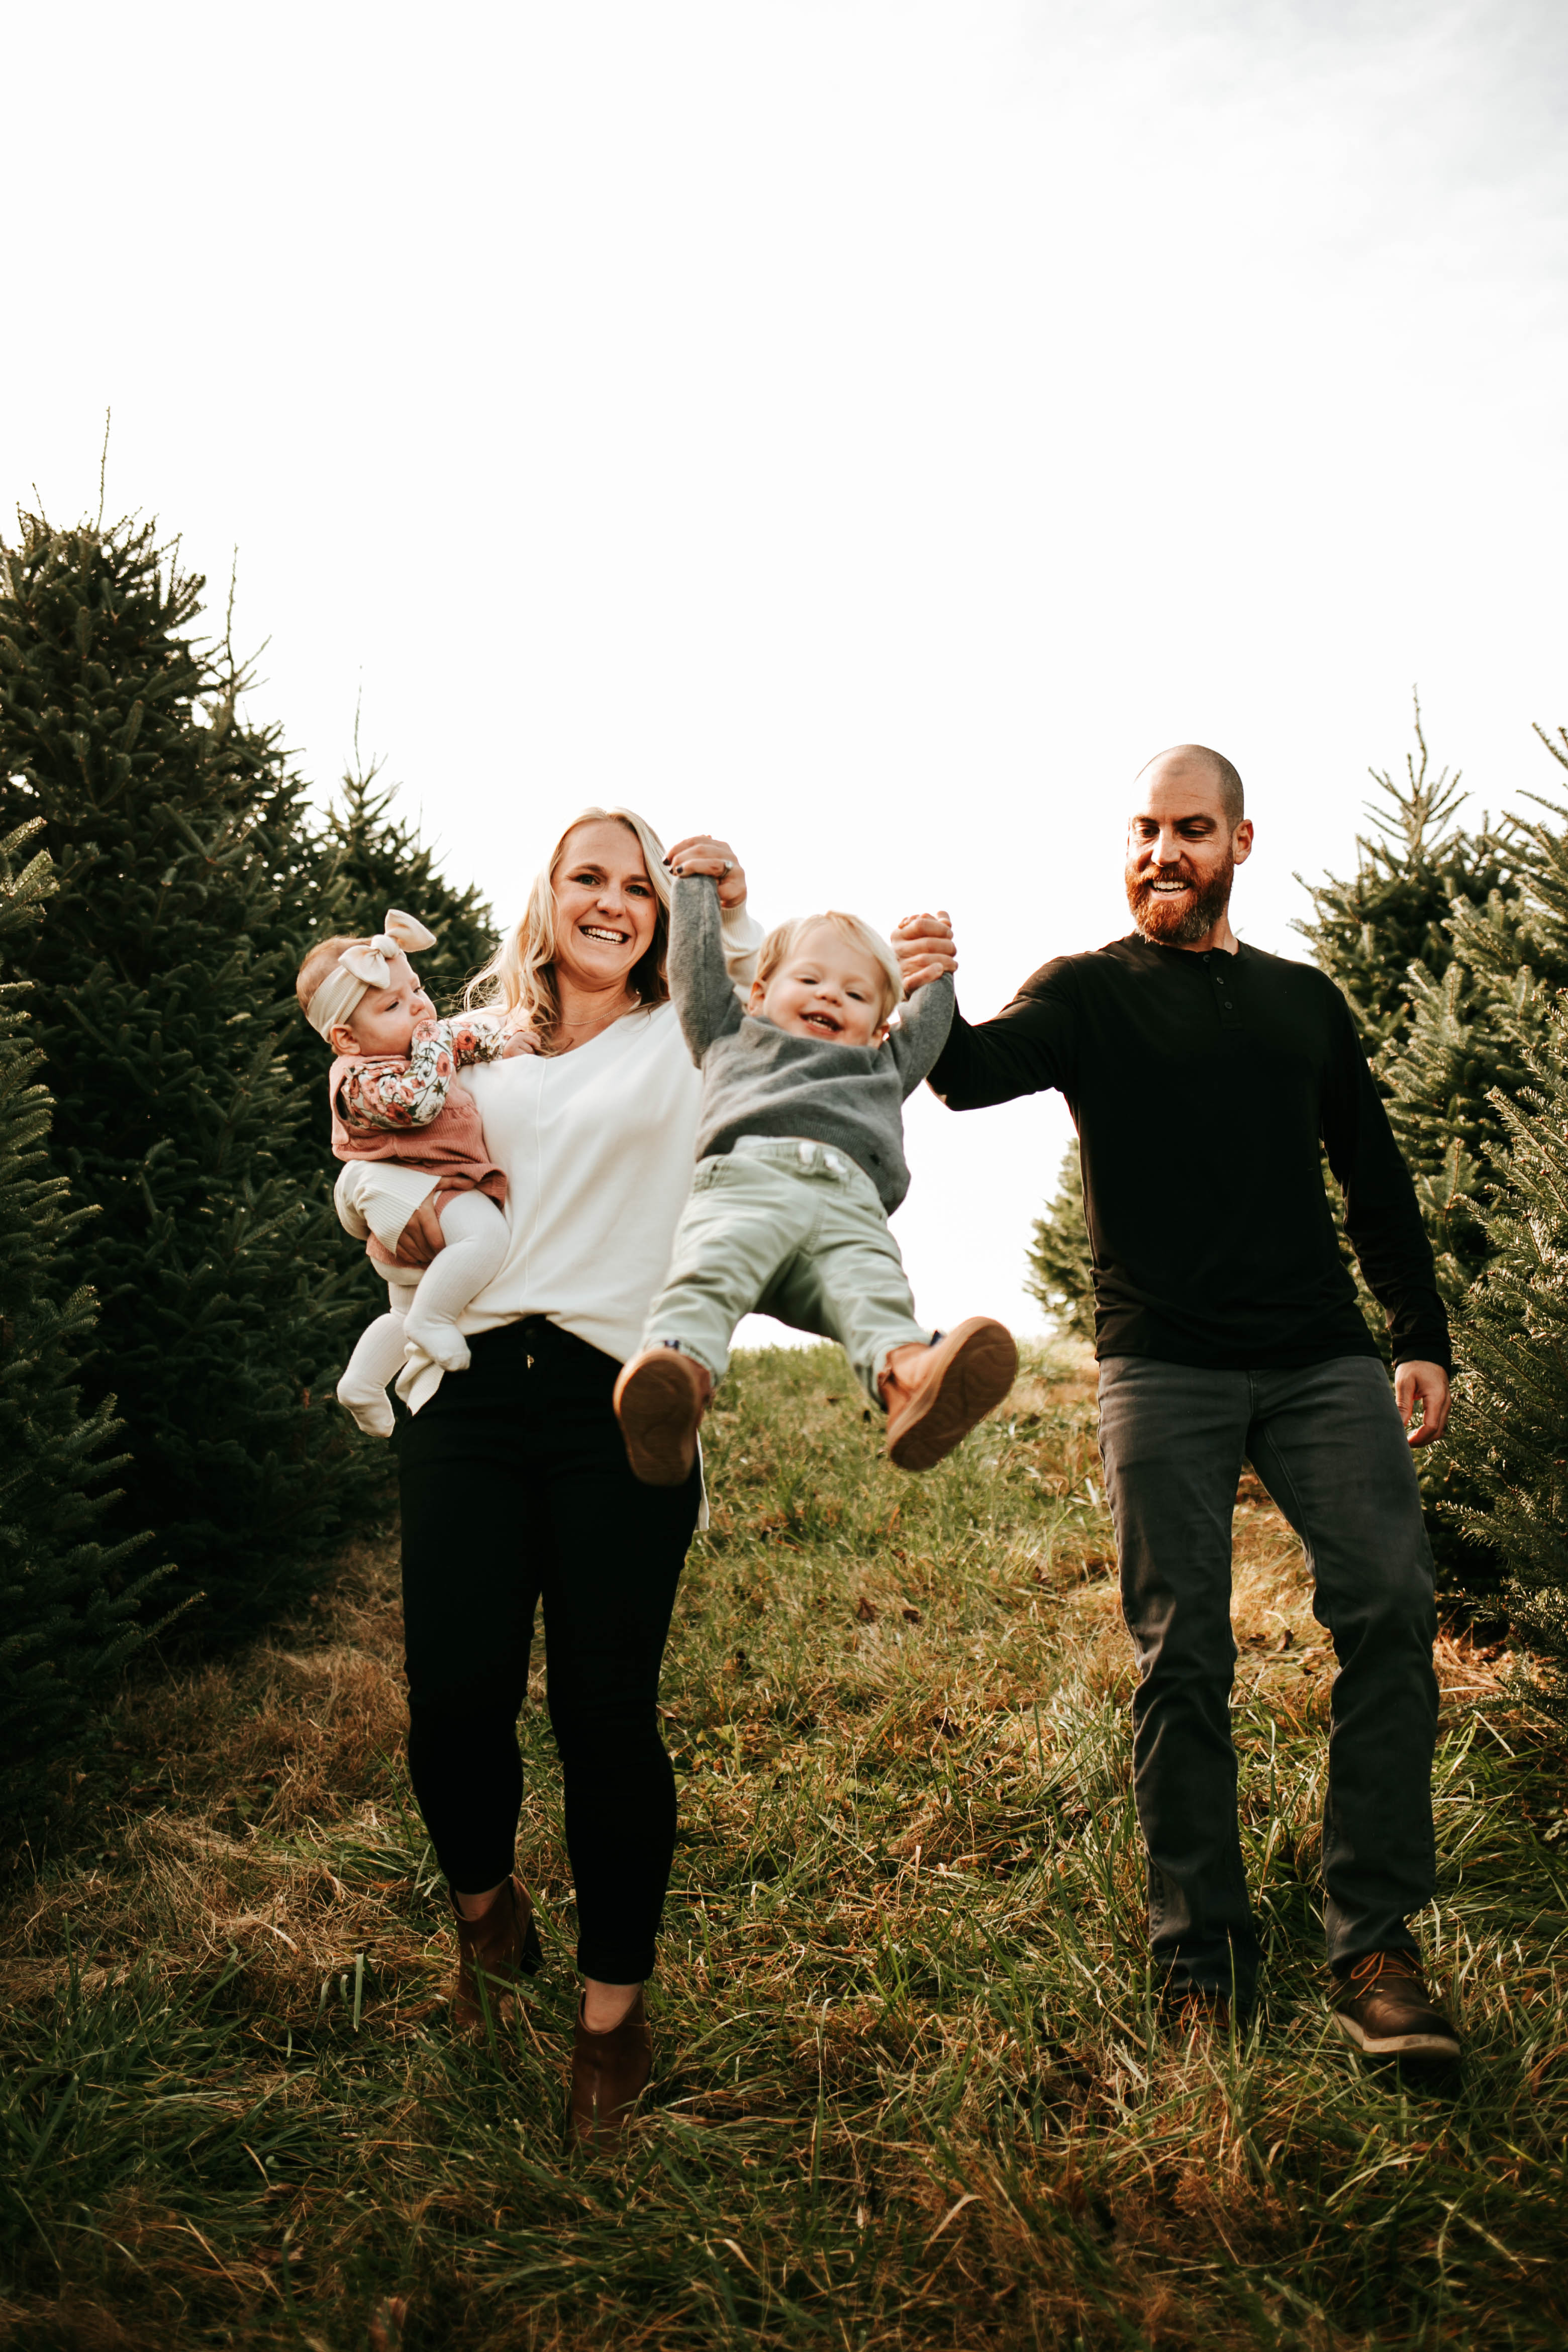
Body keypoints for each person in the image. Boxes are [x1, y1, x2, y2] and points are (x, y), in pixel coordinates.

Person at [896, 745, 1461, 2063]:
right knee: (1185, 1656)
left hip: (1320, 1359)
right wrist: (932, 991)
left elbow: (1372, 1175)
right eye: (1145, 829)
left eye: (1189, 830)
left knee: (1390, 1610)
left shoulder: (1303, 1005)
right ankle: (1198, 1960)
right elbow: (970, 1075)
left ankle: (1374, 1946)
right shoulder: (1091, 994)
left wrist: (1417, 1333)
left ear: (1240, 845)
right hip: (1161, 1365)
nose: (1161, 851)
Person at [387, 809, 764, 2145]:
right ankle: (485, 1910)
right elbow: (380, 1176)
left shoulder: (687, 1038)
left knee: (605, 1711)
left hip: (621, 1398)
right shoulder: (468, 1044)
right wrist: (400, 1220)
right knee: (455, 1701)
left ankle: (614, 2018)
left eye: (637, 889)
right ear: (545, 894)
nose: (612, 903)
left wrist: (724, 896)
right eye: (585, 878)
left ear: (662, 918)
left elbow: (774, 1011)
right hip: (468, 1393)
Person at [613, 878, 1016, 1484]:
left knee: (874, 1295)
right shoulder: (729, 1032)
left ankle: (909, 1380)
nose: (831, 995)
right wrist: (695, 887)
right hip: (750, 1187)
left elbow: (927, 1026)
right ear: (758, 992)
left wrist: (934, 966)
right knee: (710, 1273)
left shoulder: (882, 1067)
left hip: (849, 1212)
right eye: (809, 980)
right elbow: (695, 968)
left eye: (857, 994)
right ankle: (679, 1382)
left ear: (881, 1025)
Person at [298, 910, 515, 1438]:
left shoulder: (415, 1043)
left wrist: (503, 1046)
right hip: (428, 1190)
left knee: (402, 1310)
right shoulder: (360, 1081)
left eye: (415, 989)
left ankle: (364, 1382)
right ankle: (433, 1322)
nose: (419, 1006)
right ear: (347, 1039)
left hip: (427, 1200)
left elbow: (459, 1043)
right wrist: (439, 1042)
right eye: (393, 1005)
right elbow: (418, 1103)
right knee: (487, 1238)